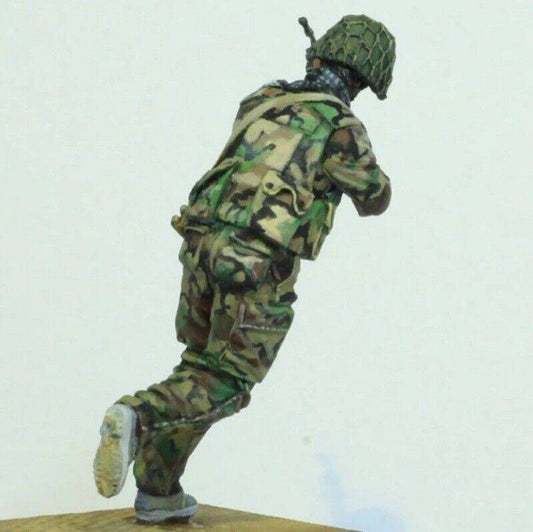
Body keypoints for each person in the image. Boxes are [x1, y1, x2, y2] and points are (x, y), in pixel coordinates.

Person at [93, 14, 396, 524]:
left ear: (316, 55)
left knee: (199, 369)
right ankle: (139, 415)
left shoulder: (262, 99)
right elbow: (376, 196)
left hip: (199, 248)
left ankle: (159, 490)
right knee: (229, 380)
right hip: (255, 266)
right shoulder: (342, 130)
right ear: (363, 81)